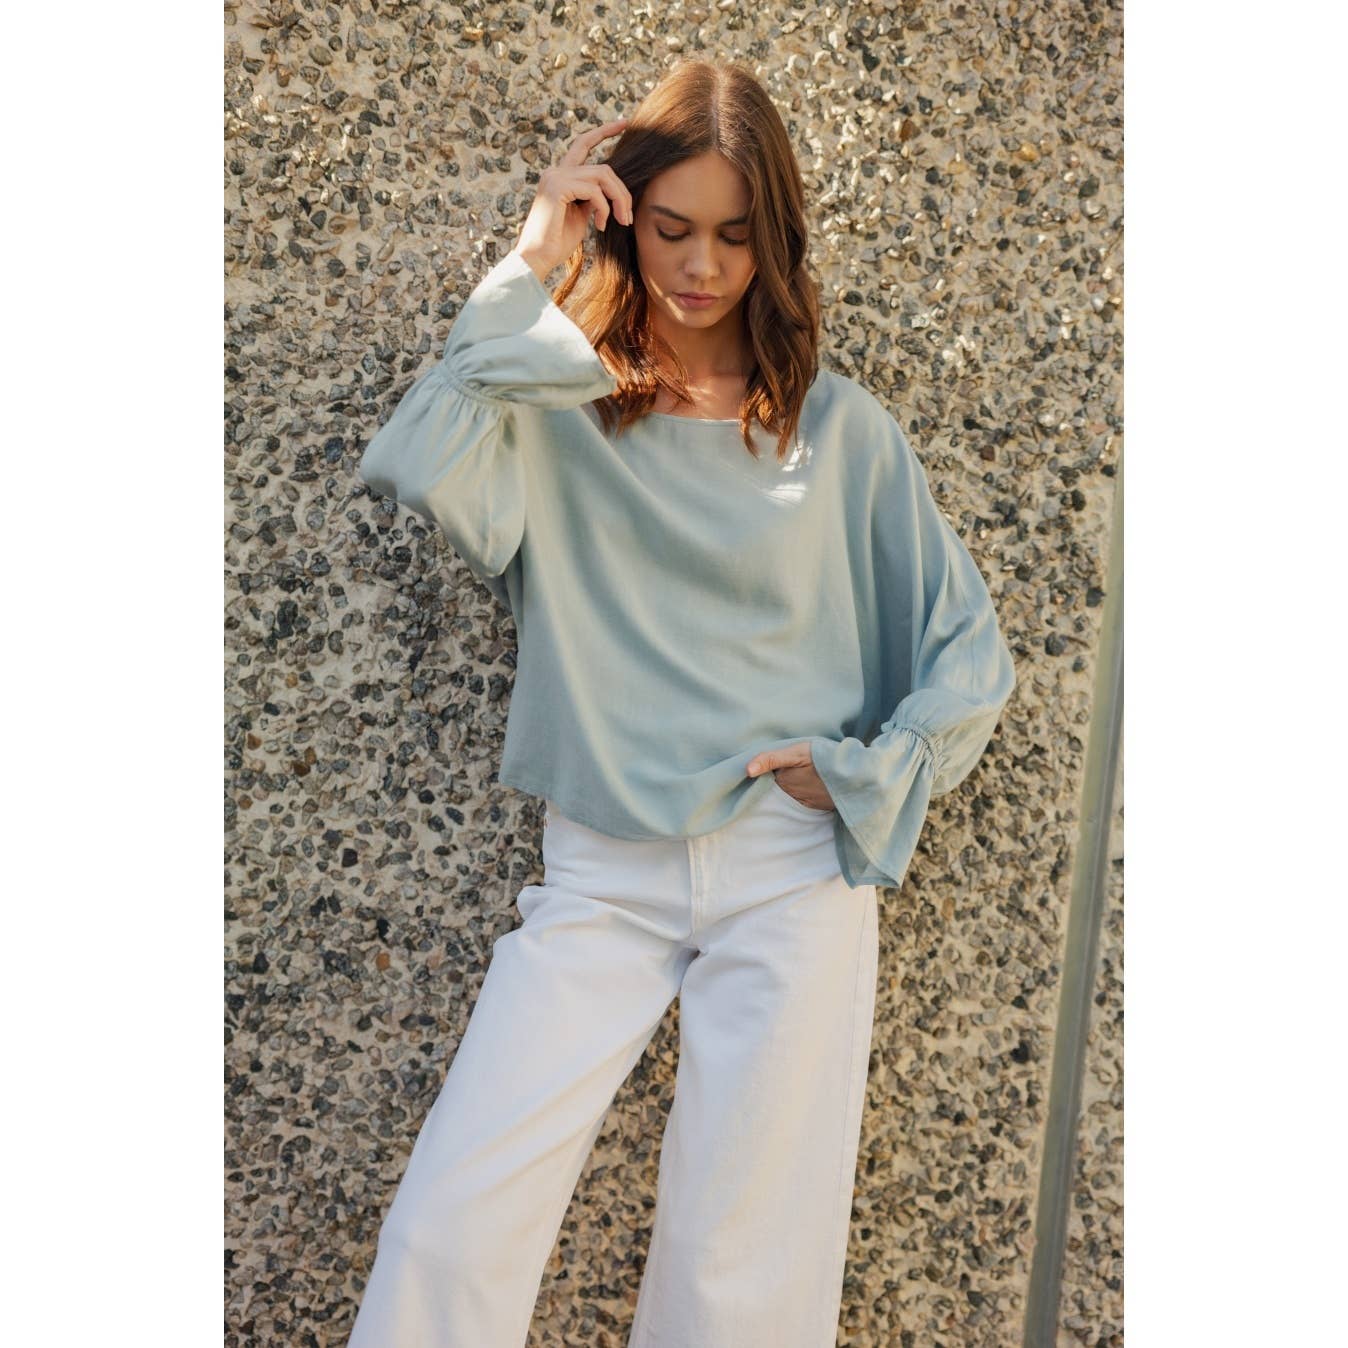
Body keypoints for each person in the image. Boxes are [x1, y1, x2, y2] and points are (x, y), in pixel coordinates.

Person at [347, 59, 1015, 1348]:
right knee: (450, 1225)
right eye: (671, 228)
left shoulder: (840, 433)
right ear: (625, 221)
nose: (702, 266)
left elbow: (968, 654)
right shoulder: (556, 406)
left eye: (736, 235)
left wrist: (873, 769)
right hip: (603, 868)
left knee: (739, 1277)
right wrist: (534, 259)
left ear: (776, 242)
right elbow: (421, 464)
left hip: (790, 870)